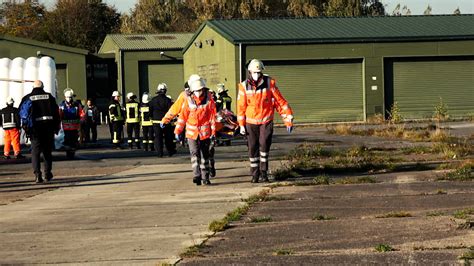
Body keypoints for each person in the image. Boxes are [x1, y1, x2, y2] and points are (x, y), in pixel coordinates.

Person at [237, 59, 294, 183]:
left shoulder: (270, 83)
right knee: (252, 148)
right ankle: (254, 174)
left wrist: (288, 118)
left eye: (259, 72)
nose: (257, 75)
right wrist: (241, 125)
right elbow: (241, 107)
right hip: (250, 123)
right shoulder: (243, 86)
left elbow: (280, 102)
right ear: (250, 72)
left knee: (264, 146)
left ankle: (264, 172)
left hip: (266, 121)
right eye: (254, 72)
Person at [174, 77, 216, 186]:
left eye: (200, 90)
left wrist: (213, 132)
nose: (198, 92)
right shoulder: (189, 101)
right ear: (192, 91)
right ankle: (196, 175)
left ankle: (205, 177)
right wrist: (178, 131)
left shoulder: (208, 100)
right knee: (194, 154)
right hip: (192, 134)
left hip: (205, 134)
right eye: (196, 91)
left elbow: (212, 117)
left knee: (204, 156)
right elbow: (183, 117)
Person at [19, 80, 60, 183]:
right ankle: (47, 174)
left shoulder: (27, 97)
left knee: (35, 153)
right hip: (48, 128)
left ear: (33, 87)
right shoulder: (49, 97)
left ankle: (37, 175)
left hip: (34, 130)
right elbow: (56, 113)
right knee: (47, 152)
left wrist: (25, 128)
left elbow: (21, 113)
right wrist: (56, 127)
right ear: (43, 86)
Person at [149, 83, 174, 157]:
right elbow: (171, 111)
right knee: (168, 137)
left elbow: (150, 111)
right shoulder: (168, 100)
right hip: (166, 121)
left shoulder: (153, 100)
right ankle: (170, 152)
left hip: (156, 122)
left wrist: (151, 117)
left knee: (158, 138)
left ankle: (160, 153)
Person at [59, 88, 84, 152]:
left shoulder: (77, 105)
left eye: (70, 97)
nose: (69, 99)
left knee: (74, 141)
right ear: (65, 97)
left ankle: (72, 150)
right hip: (65, 128)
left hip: (75, 127)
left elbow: (81, 113)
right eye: (67, 97)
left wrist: (82, 121)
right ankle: (68, 150)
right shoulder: (61, 106)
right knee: (67, 140)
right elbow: (59, 115)